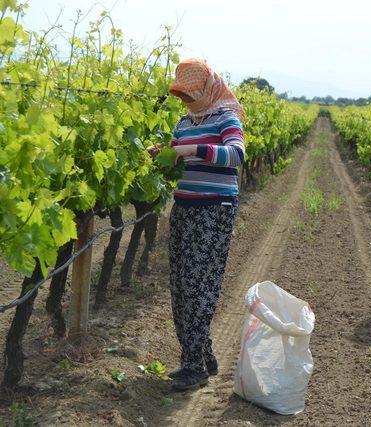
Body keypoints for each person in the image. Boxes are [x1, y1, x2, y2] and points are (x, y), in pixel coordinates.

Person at [149, 58, 246, 390]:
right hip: (184, 207)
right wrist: (162, 153)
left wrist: (193, 149)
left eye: (190, 94)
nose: (185, 100)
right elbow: (177, 163)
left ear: (208, 89)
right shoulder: (182, 122)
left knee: (198, 285)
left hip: (214, 210)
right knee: (180, 285)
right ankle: (201, 355)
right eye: (181, 94)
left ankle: (193, 366)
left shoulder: (226, 118)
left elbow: (236, 154)